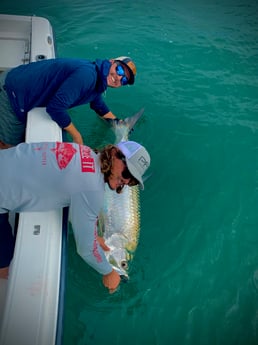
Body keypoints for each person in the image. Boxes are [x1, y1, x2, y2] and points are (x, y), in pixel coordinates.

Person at [0, 140, 150, 293]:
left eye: (131, 181)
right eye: (127, 173)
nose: (125, 181)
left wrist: (92, 234)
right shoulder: (91, 188)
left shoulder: (84, 152)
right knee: (6, 266)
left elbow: (78, 197)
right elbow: (86, 250)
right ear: (113, 153)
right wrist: (109, 272)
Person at [0, 56, 136, 146]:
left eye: (124, 80)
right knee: (9, 147)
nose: (118, 77)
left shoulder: (98, 80)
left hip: (21, 81)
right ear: (112, 62)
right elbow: (55, 108)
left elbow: (98, 105)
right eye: (119, 69)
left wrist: (119, 123)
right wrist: (77, 136)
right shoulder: (87, 76)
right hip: (12, 93)